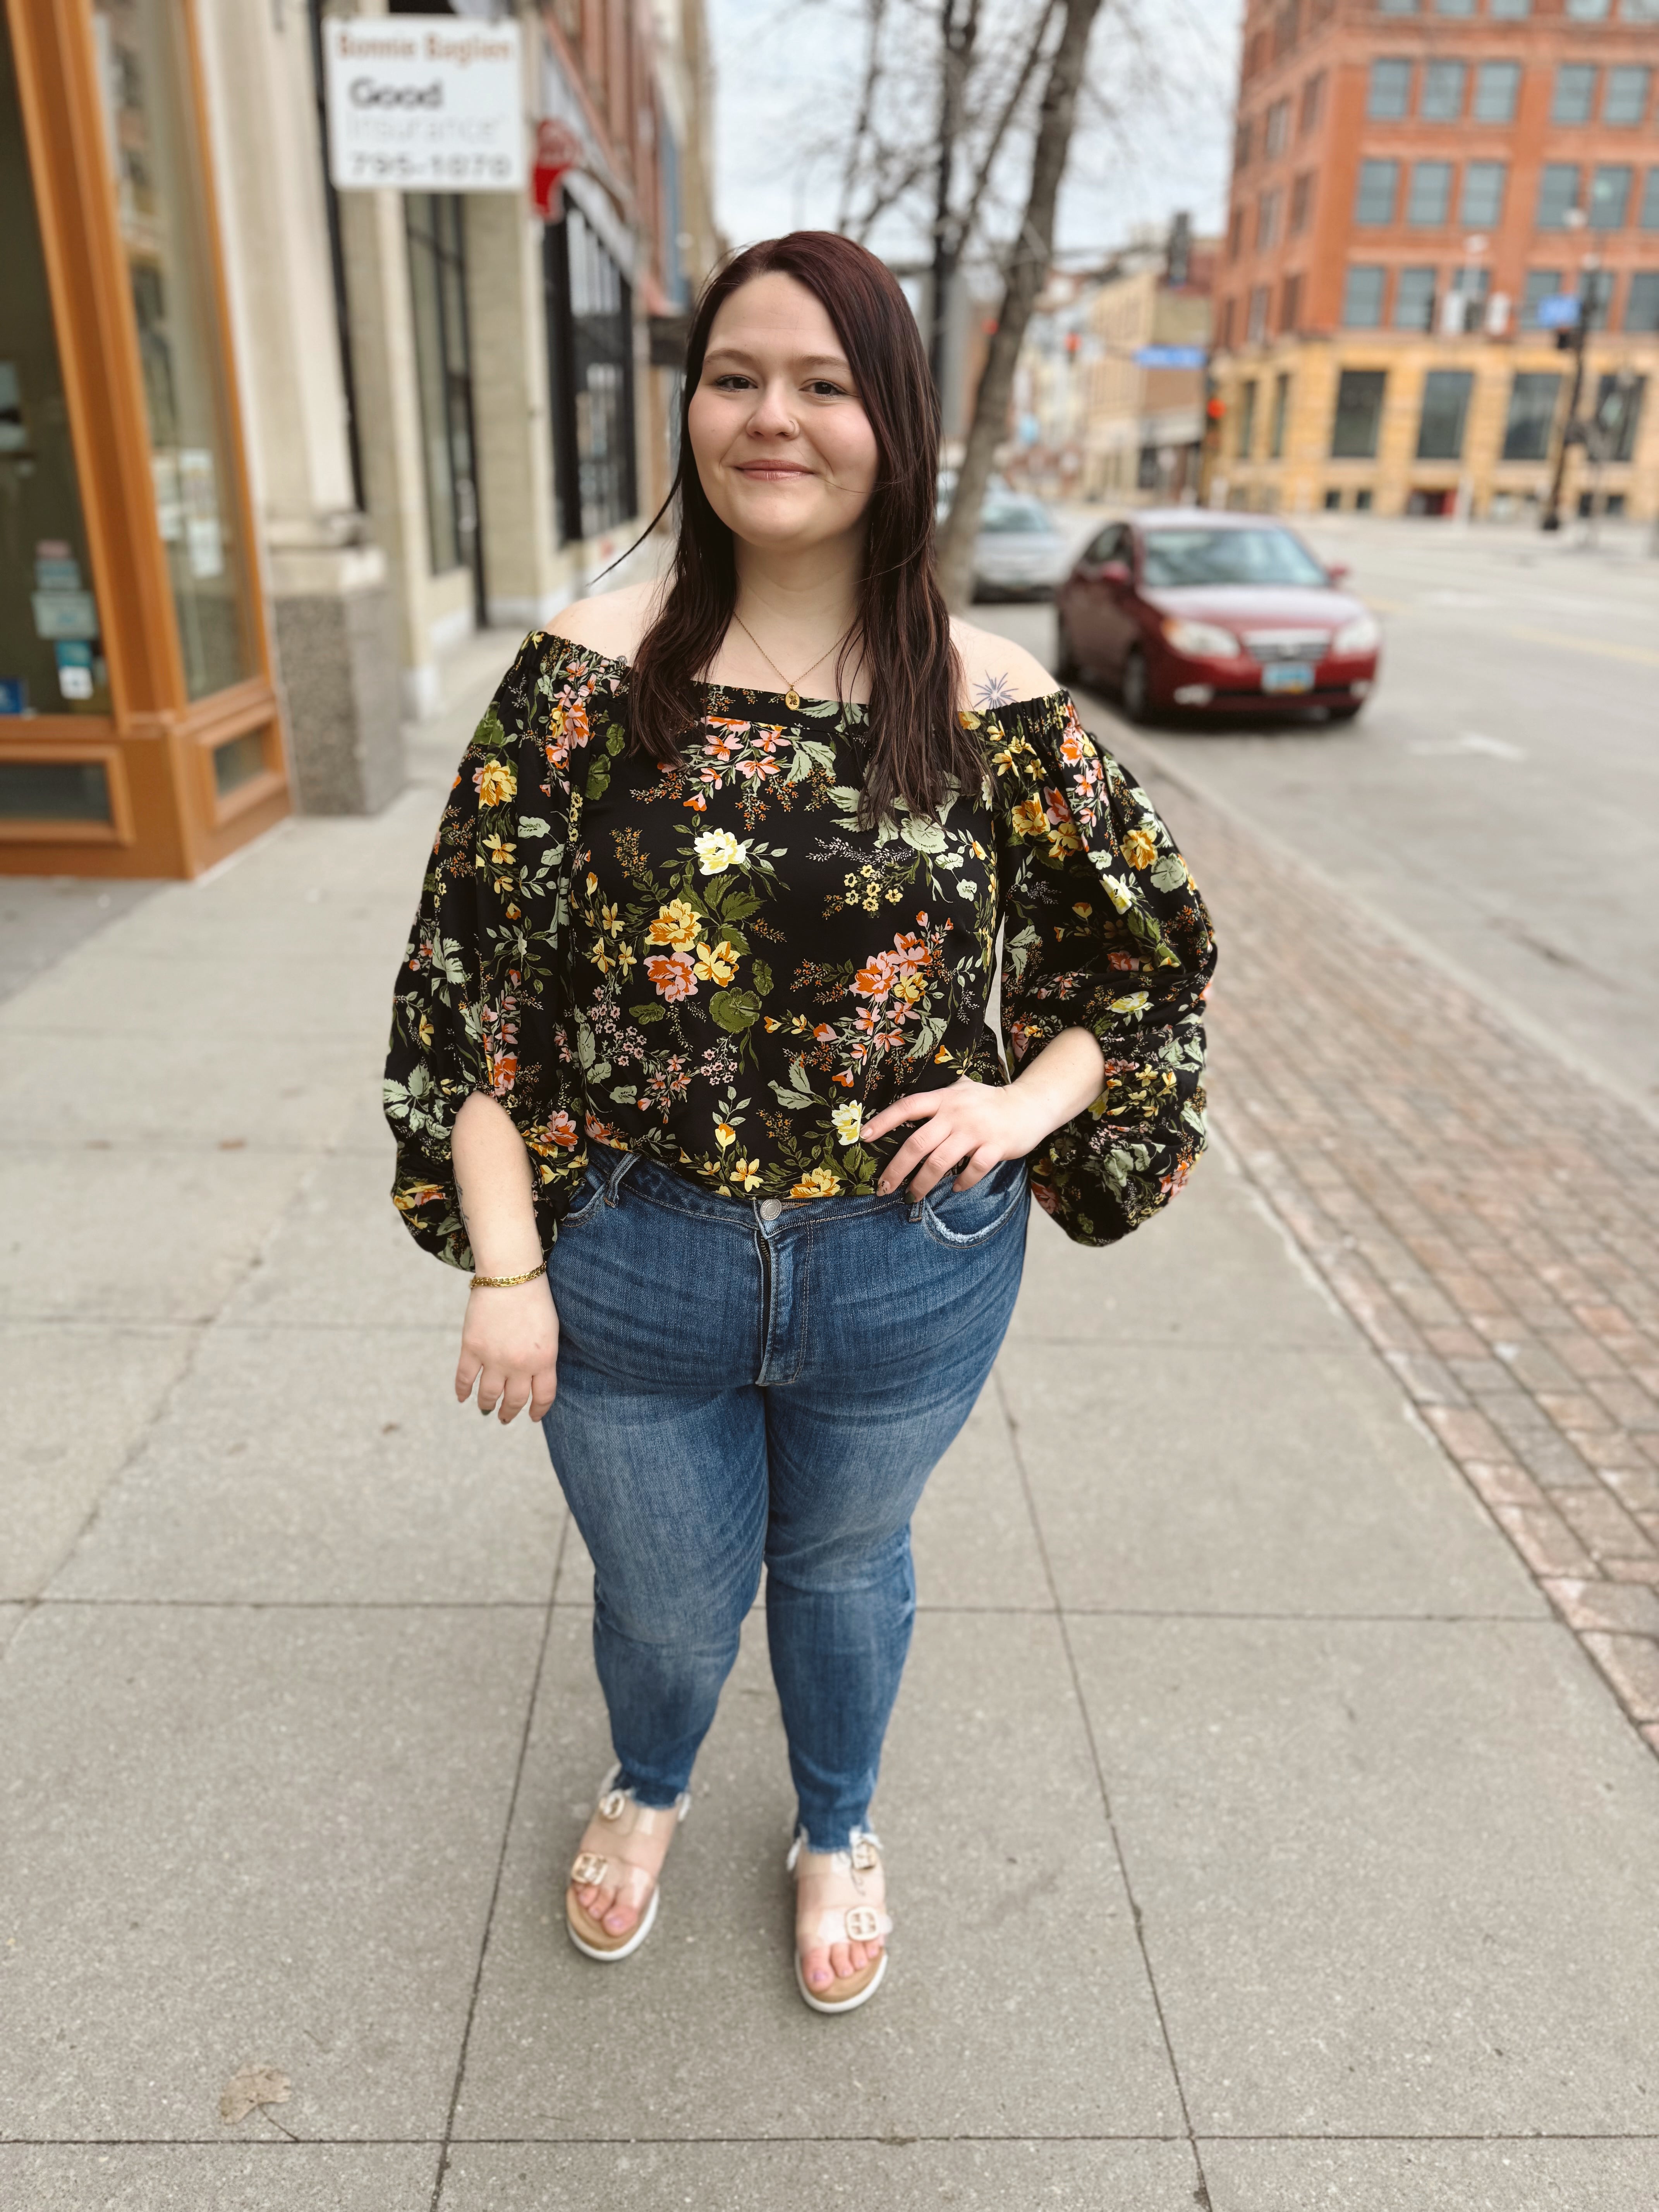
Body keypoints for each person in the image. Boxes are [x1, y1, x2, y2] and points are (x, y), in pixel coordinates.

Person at [384, 231, 1215, 2016]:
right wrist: (503, 1266)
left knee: (844, 1571)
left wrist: (1024, 1100)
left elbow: (1141, 974)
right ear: (689, 407)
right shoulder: (587, 673)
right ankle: (655, 1777)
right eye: (737, 376)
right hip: (627, 1259)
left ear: (891, 423)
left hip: (903, 1268)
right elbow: (467, 1001)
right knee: (669, 1608)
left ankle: (836, 1822)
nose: (775, 417)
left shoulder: (988, 696)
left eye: (825, 384)